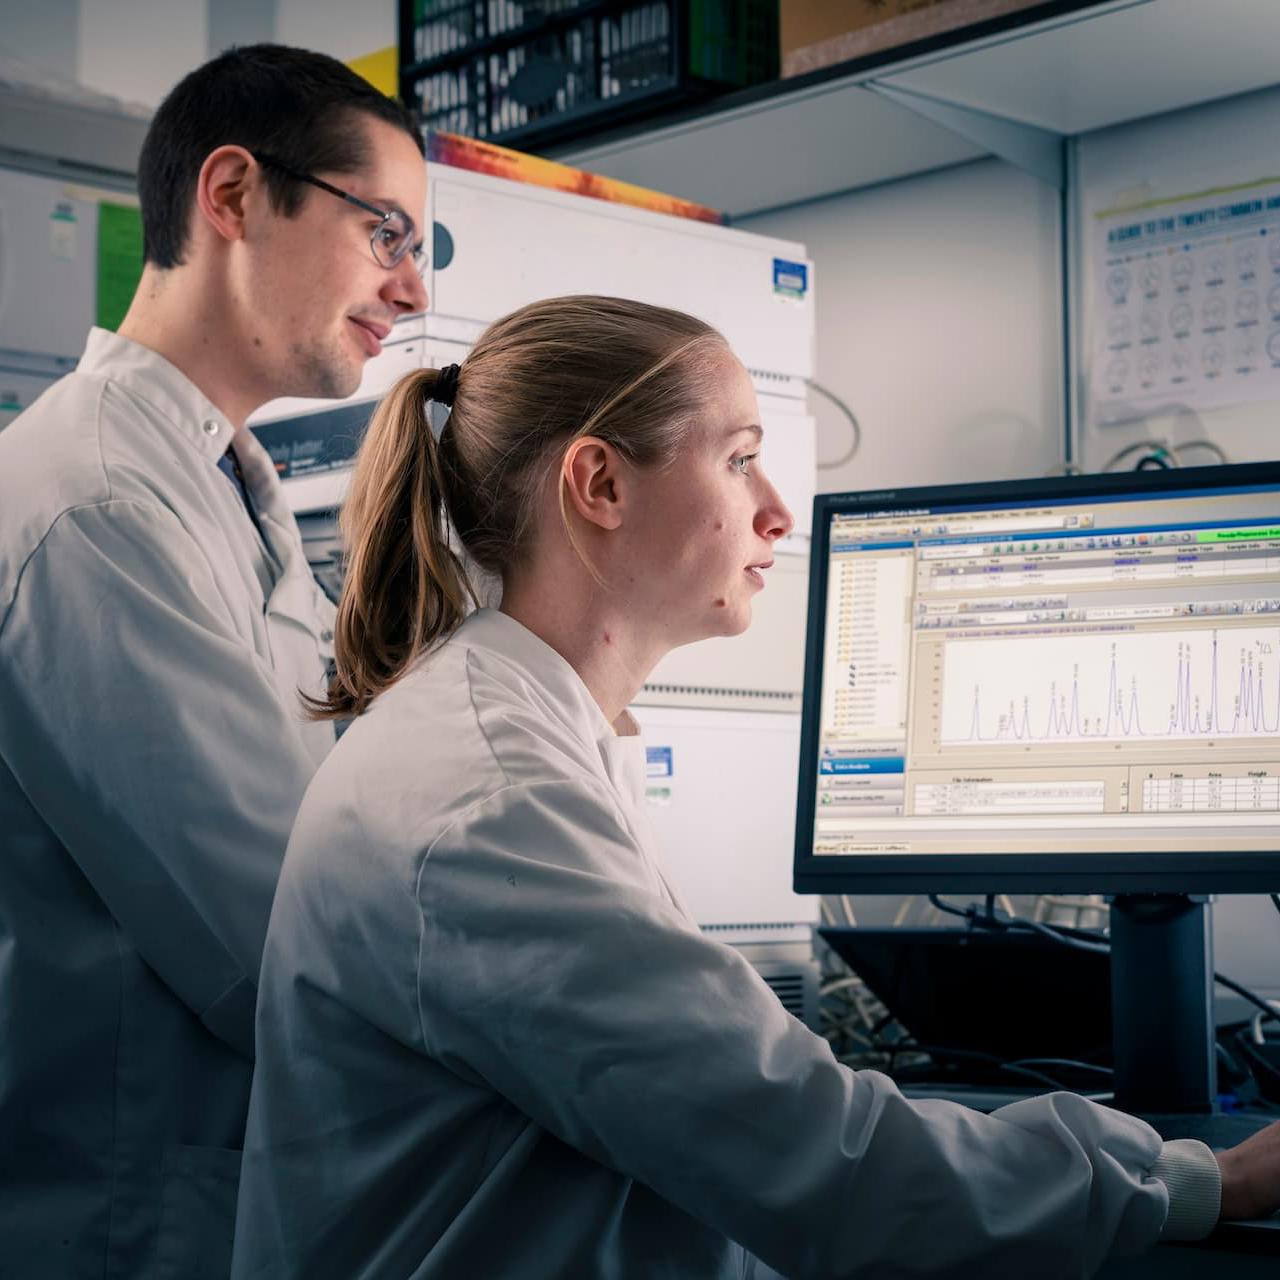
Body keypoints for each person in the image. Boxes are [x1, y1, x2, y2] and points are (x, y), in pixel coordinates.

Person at [230, 292, 1280, 1278]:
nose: (777, 510)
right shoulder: (492, 794)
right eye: (739, 460)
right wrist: (1206, 1178)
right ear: (598, 485)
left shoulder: (507, 734)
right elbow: (829, 1165)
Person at [0, 45, 429, 1277]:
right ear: (233, 196)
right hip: (132, 1216)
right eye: (385, 232)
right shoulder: (93, 504)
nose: (407, 290)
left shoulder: (215, 480)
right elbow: (274, 946)